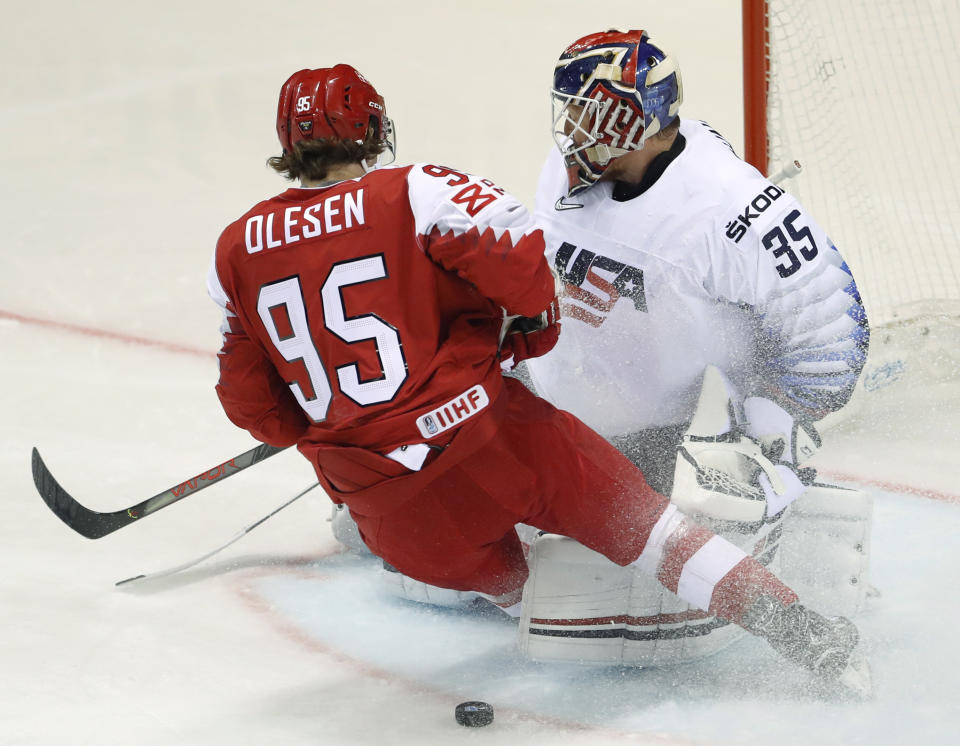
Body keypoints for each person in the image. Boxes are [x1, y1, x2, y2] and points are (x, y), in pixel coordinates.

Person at [207, 63, 869, 692]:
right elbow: (523, 258)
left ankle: (511, 596)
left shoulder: (235, 248)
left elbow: (253, 407)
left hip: (387, 510)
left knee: (514, 579)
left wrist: (337, 425)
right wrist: (526, 330)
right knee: (657, 537)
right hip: (498, 443)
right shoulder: (414, 188)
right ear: (372, 130)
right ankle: (801, 632)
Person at [515, 29, 872, 664]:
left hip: (666, 439)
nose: (567, 126)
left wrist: (777, 416)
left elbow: (828, 322)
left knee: (589, 586)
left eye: (582, 109)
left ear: (628, 116)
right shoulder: (566, 170)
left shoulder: (727, 206)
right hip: (562, 416)